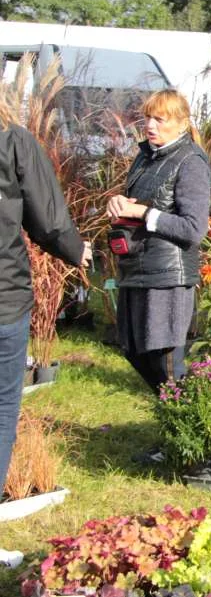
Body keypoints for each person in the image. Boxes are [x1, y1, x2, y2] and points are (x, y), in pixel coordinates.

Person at [0, 118, 91, 489]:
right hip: (5, 299)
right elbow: (48, 220)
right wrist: (75, 249)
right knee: (3, 408)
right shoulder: (12, 144)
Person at [106, 89, 211, 404]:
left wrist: (144, 213)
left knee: (166, 364)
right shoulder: (144, 157)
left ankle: (188, 441)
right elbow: (139, 204)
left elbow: (194, 229)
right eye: (147, 117)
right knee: (133, 350)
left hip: (169, 277)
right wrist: (118, 202)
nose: (150, 125)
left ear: (180, 124)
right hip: (136, 268)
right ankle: (176, 427)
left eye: (159, 119)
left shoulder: (191, 161)